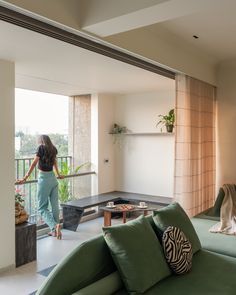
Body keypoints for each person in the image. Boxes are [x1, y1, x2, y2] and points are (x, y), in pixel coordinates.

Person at [17, 135, 64, 239]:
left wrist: (25, 177)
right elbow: (55, 163)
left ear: (41, 141)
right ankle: (55, 230)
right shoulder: (53, 149)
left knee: (42, 208)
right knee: (55, 206)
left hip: (44, 180)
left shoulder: (41, 148)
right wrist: (59, 174)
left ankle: (54, 226)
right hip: (53, 179)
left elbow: (34, 163)